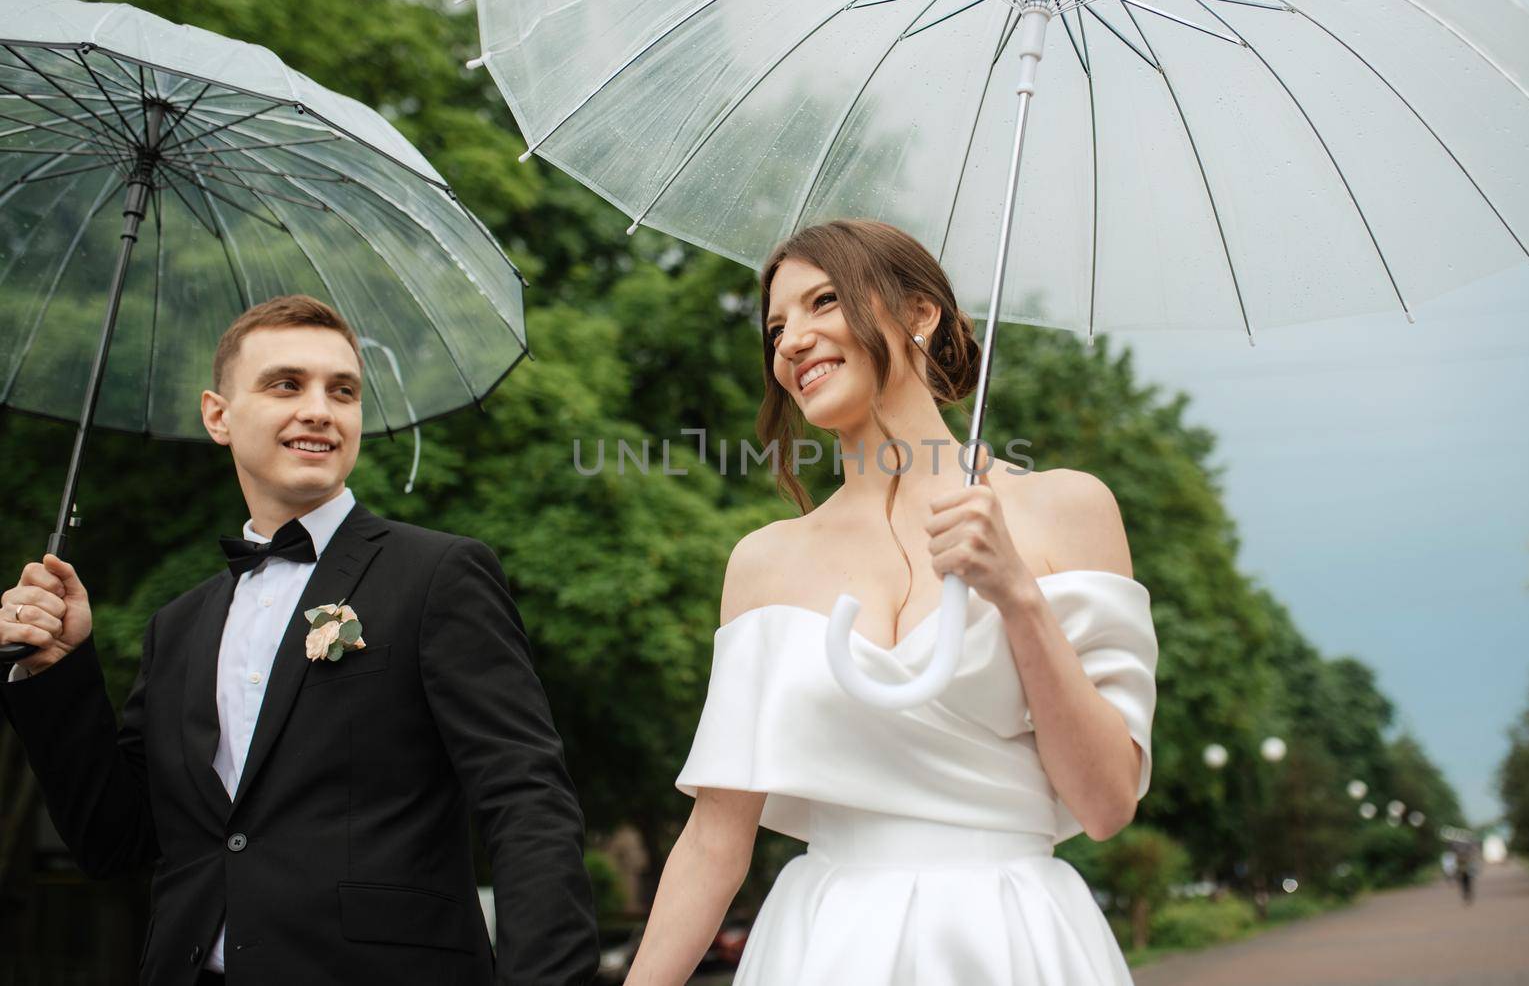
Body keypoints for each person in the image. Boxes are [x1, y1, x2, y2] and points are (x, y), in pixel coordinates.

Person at [0, 295, 599, 986]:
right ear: (217, 415)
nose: (319, 408)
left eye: (341, 391)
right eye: (286, 384)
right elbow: (116, 840)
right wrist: (55, 670)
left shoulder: (438, 574)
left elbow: (527, 801)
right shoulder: (179, 626)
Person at [623, 220, 1158, 985]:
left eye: (825, 302)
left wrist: (1018, 598)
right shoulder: (763, 563)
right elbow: (714, 841)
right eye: (777, 327)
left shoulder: (1065, 509)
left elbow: (1106, 804)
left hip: (1010, 941)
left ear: (918, 313)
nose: (792, 342)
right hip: (825, 948)